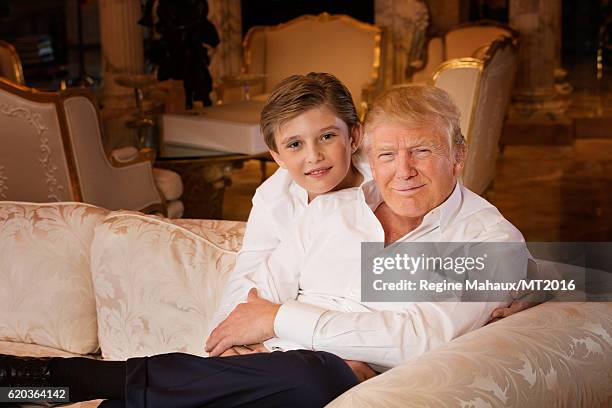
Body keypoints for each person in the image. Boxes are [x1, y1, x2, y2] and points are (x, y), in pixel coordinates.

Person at [0, 84, 529, 407]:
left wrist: (279, 319)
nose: (403, 170)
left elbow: (417, 339)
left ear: (458, 157)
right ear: (371, 153)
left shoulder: (487, 239)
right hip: (268, 373)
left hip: (329, 377)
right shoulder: (325, 208)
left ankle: (76, 377)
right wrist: (241, 336)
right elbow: (257, 284)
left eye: (423, 151)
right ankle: (47, 386)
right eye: (387, 155)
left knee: (317, 374)